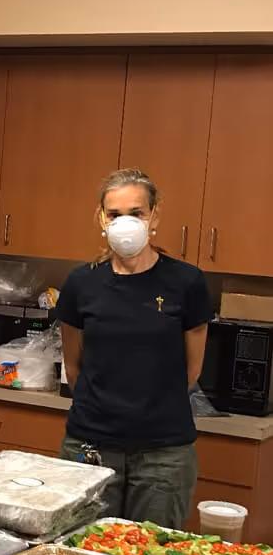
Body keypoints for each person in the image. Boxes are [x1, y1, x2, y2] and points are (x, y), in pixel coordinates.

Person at [57, 168, 212, 529]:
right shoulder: (82, 283)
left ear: (154, 216)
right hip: (90, 447)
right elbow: (73, 367)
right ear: (102, 218)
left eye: (137, 213)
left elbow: (192, 371)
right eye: (115, 214)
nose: (125, 223)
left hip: (163, 455)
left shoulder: (187, 282)